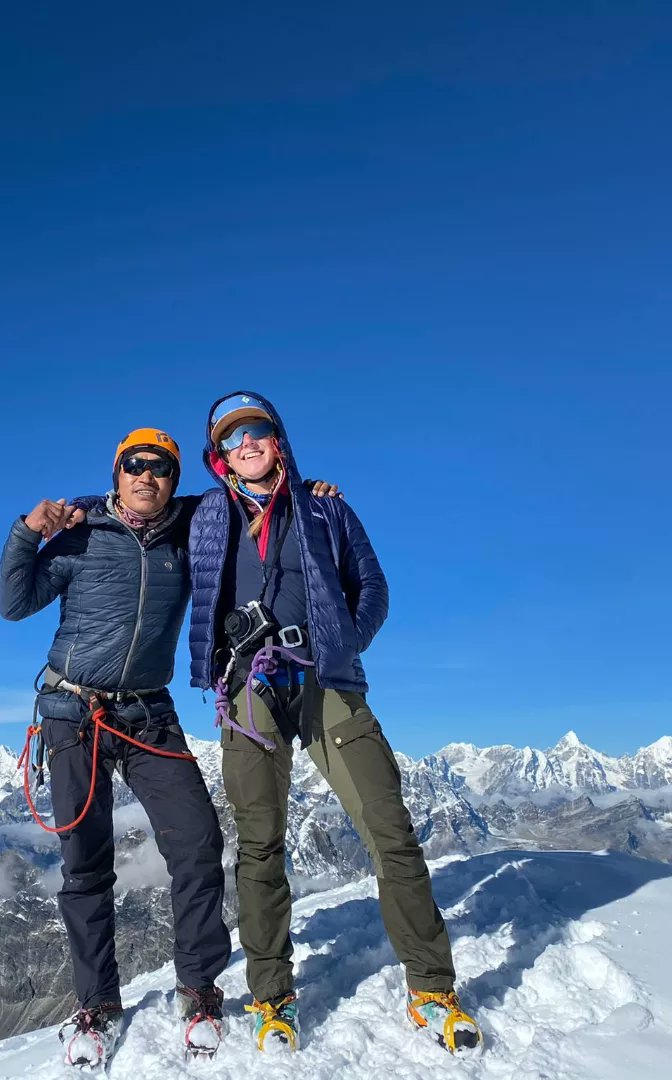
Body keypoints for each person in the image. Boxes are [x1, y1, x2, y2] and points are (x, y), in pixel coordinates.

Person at [186, 392, 482, 1055]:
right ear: (220, 456)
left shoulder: (325, 507)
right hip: (249, 688)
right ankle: (271, 1000)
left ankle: (432, 988)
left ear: (279, 439)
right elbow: (137, 512)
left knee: (389, 830)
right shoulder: (206, 515)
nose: (249, 445)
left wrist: (342, 644)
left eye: (258, 432)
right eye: (235, 440)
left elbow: (371, 587)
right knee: (260, 846)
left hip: (325, 679)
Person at [0, 428, 230, 1068]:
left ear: (174, 481)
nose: (146, 476)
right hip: (73, 712)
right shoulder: (81, 531)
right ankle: (97, 1003)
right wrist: (28, 528)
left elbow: (248, 499)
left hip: (149, 713)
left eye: (160, 469)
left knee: (197, 840)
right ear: (117, 470)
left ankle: (199, 989)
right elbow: (15, 604)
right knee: (86, 863)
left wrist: (309, 490)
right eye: (135, 465)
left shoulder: (191, 534)